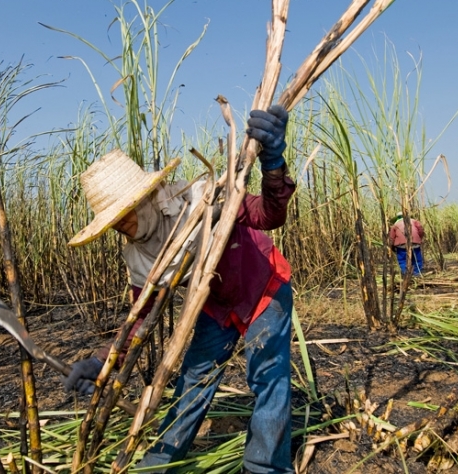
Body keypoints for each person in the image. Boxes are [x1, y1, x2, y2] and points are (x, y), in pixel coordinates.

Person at [64, 105, 296, 474]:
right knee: (193, 380)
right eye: (113, 221)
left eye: (126, 211)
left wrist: (273, 163)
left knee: (268, 377)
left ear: (145, 197)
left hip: (263, 287)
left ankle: (264, 467)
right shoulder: (137, 257)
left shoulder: (199, 199)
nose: (122, 224)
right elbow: (139, 321)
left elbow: (269, 215)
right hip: (216, 305)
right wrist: (104, 363)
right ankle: (159, 464)